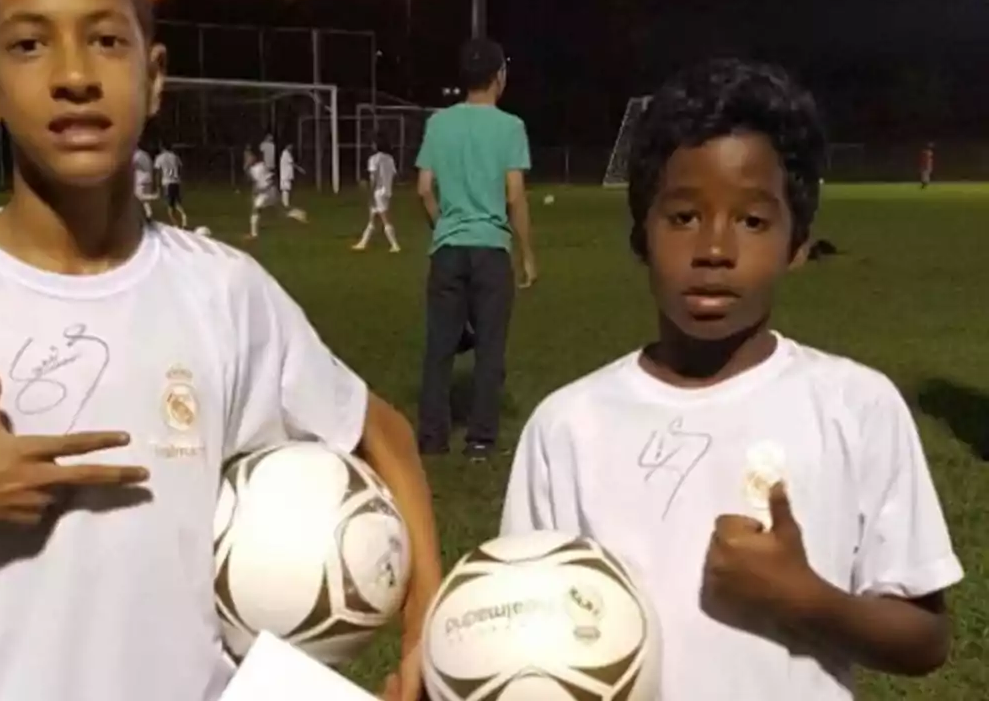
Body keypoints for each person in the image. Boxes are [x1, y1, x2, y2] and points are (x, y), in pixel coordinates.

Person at [0, 0, 442, 701]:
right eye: (29, 43)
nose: (74, 73)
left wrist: (423, 621)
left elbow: (380, 432)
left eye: (106, 39)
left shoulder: (224, 292)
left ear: (153, 76)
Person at [501, 59, 962, 701]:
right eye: (684, 216)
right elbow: (519, 632)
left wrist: (804, 597)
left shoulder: (857, 407)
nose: (714, 249)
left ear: (798, 243)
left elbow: (925, 638)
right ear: (641, 234)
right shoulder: (568, 426)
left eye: (752, 221)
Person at [415, 38, 536, 460]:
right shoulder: (511, 127)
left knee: (439, 348)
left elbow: (424, 189)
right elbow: (515, 195)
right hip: (490, 250)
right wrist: (527, 254)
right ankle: (480, 440)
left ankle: (431, 438)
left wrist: (444, 225)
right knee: (489, 348)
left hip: (448, 249)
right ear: (499, 76)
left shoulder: (438, 123)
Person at [353, 134, 401, 252]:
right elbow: (394, 175)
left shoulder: (374, 159)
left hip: (378, 192)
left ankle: (395, 245)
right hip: (387, 191)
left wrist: (371, 192)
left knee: (385, 219)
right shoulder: (390, 158)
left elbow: (373, 177)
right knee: (372, 219)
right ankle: (363, 243)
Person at [245, 143, 277, 240]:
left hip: (267, 192)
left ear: (254, 157)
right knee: (257, 209)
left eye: (249, 156)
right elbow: (257, 182)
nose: (247, 158)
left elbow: (263, 181)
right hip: (267, 191)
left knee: (255, 210)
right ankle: (258, 226)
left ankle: (254, 234)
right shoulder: (257, 167)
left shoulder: (258, 168)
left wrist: (258, 191)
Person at [156, 141, 187, 228]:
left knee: (169, 205)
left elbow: (158, 171)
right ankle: (183, 216)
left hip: (167, 182)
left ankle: (176, 225)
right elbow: (180, 168)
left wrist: (158, 185)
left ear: (162, 147)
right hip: (176, 181)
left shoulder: (160, 157)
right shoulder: (175, 156)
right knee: (176, 202)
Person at [278, 143, 308, 222]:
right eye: (290, 146)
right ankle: (285, 204)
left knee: (286, 189)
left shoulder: (286, 154)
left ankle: (285, 203)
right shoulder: (286, 154)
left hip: (286, 175)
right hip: (285, 175)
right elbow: (292, 163)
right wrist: (300, 169)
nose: (291, 147)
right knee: (285, 189)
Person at [133, 144, 158, 221]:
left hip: (140, 180)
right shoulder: (145, 154)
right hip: (148, 178)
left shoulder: (135, 155)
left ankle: (154, 197)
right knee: (146, 202)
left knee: (138, 197)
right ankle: (149, 216)